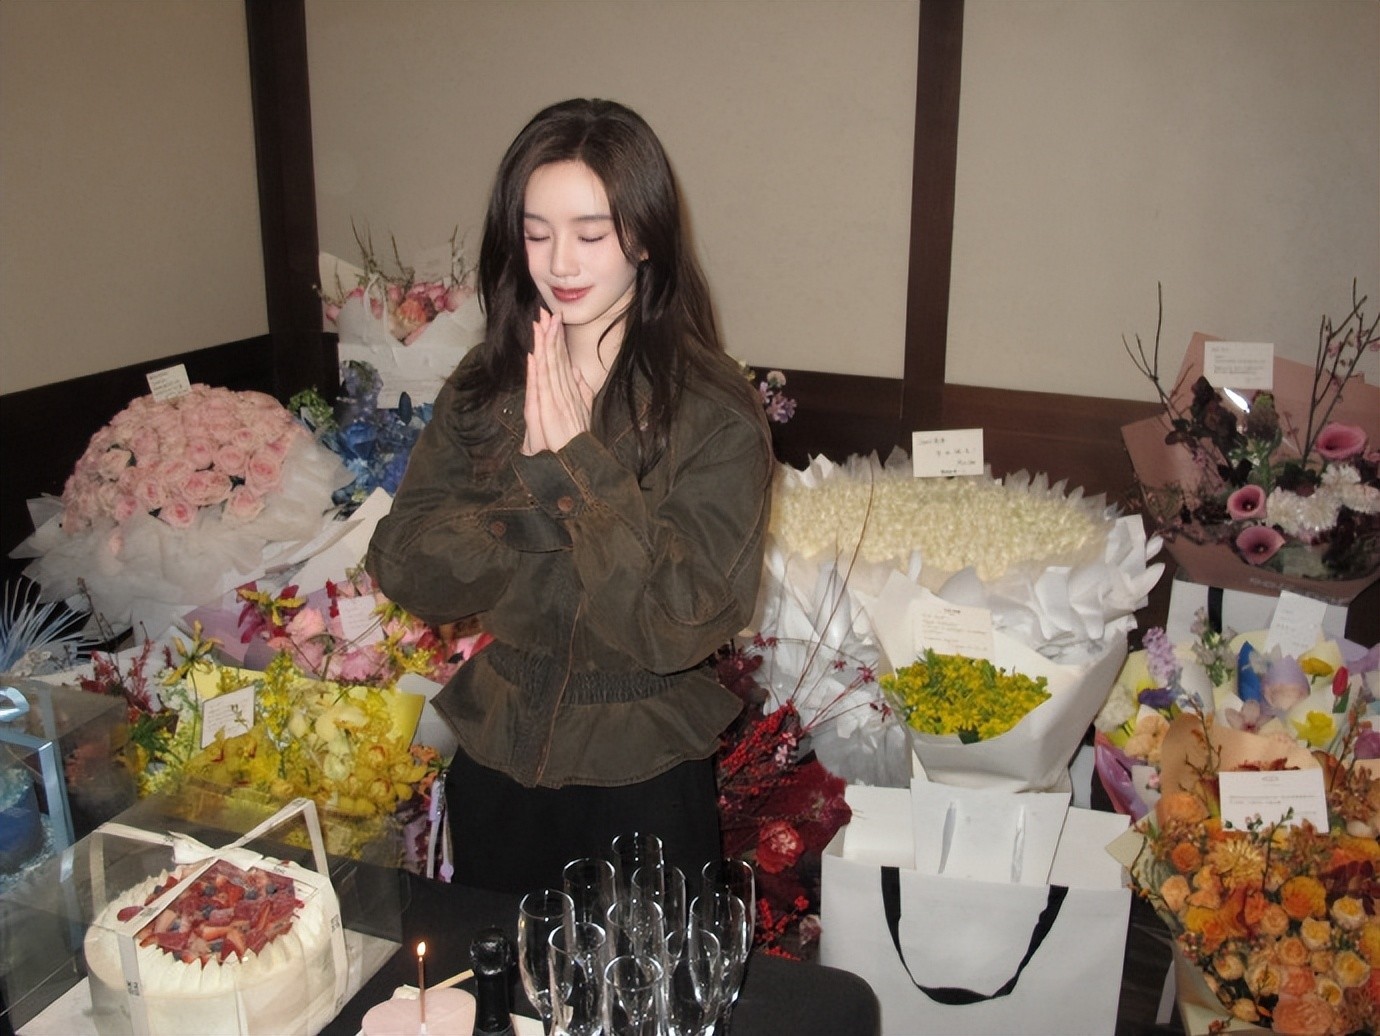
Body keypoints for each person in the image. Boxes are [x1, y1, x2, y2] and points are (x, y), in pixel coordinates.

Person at [366, 98, 773, 893]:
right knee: (495, 965)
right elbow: (408, 568)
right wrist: (531, 498)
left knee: (639, 973)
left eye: (591, 234)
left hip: (641, 773)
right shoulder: (490, 383)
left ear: (645, 235)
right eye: (536, 233)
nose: (560, 264)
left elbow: (678, 623)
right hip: (499, 755)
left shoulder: (712, 410)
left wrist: (579, 473)